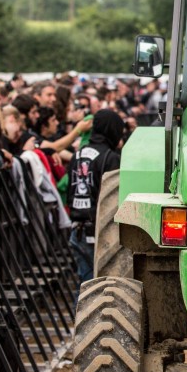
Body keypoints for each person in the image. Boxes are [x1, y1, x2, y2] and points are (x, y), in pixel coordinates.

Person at [67, 109, 125, 283]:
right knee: (97, 286)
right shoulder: (110, 158)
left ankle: (76, 311)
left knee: (84, 283)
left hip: (77, 228)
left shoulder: (78, 154)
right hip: (98, 232)